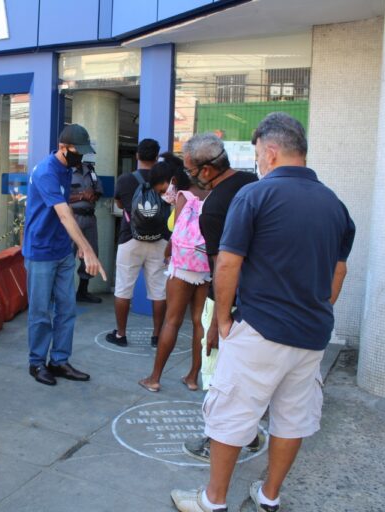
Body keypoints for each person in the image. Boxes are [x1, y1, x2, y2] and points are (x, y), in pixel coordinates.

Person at [171, 113, 355, 512]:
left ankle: (213, 500)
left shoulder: (255, 196)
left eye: (257, 153)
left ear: (271, 152)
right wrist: (317, 310)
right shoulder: (335, 205)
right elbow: (338, 271)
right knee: (292, 418)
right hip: (311, 335)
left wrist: (221, 322)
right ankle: (269, 496)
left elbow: (228, 263)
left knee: (232, 414)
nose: (257, 162)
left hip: (259, 328)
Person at [179, 133, 260, 462]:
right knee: (245, 375)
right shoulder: (252, 183)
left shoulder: (212, 209)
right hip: (257, 297)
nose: (190, 177)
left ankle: (216, 440)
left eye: (190, 171)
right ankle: (250, 434)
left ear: (208, 170)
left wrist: (216, 322)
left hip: (228, 298)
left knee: (216, 375)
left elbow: (220, 268)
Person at [23, 124, 106, 386]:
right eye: (76, 151)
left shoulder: (66, 169)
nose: (80, 157)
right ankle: (37, 363)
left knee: (67, 309)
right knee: (40, 312)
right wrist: (88, 249)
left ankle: (59, 360)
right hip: (40, 251)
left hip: (61, 250)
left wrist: (76, 245)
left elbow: (65, 210)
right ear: (62, 147)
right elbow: (63, 213)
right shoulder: (47, 171)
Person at [138, 162, 210, 392]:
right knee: (200, 321)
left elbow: (178, 233)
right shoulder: (211, 193)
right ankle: (192, 377)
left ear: (172, 179)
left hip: (183, 265)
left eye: (162, 189)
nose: (164, 194)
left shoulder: (183, 195)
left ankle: (154, 377)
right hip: (206, 263)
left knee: (172, 320)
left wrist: (167, 252)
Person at [108, 138, 169, 348]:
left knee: (124, 287)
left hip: (129, 239)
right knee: (159, 290)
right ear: (156, 157)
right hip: (160, 240)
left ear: (137, 156)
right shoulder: (165, 179)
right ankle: (157, 335)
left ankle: (120, 335)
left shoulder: (125, 180)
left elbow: (119, 202)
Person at [69, 158, 104, 303]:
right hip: (73, 217)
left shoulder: (90, 172)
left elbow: (99, 191)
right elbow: (60, 197)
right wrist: (82, 195)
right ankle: (62, 293)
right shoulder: (65, 172)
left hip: (89, 217)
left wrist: (93, 195)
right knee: (67, 255)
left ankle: (83, 291)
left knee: (91, 253)